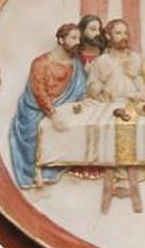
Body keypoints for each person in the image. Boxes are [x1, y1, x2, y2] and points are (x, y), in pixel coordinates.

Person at [8, 23, 87, 188]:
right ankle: (33, 175)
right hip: (35, 110)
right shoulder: (40, 63)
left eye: (79, 38)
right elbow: (39, 91)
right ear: (61, 39)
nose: (77, 42)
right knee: (35, 136)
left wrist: (78, 103)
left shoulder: (76, 63)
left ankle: (55, 173)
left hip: (64, 107)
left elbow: (80, 89)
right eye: (73, 38)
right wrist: (53, 114)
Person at [86, 18, 145, 101]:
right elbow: (91, 92)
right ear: (108, 36)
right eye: (118, 33)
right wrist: (103, 82)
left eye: (126, 33)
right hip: (110, 105)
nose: (124, 37)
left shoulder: (136, 58)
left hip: (133, 104)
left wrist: (135, 76)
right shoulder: (101, 61)